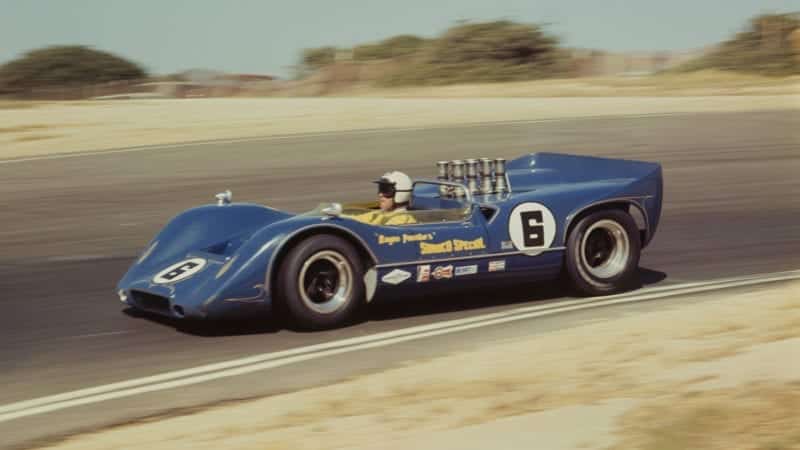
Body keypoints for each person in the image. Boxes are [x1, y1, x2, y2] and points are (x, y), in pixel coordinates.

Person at [349, 171, 417, 225]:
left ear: (400, 194)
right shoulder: (378, 214)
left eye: (386, 190)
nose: (380, 194)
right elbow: (355, 220)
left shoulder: (403, 220)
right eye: (380, 189)